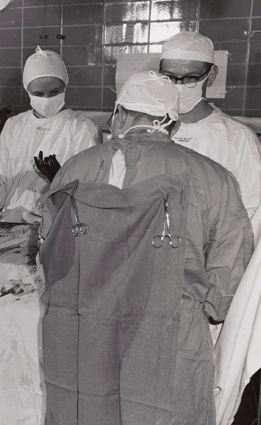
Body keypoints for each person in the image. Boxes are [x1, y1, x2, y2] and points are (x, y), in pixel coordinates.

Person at [39, 71, 253, 425]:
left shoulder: (76, 170)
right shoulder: (213, 178)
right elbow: (225, 289)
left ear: (119, 115)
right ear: (171, 123)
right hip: (171, 342)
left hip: (87, 338)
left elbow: (50, 261)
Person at [0, 46, 101, 223]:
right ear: (27, 90)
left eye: (54, 92)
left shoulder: (83, 129)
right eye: (38, 94)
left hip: (52, 227)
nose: (46, 99)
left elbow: (89, 198)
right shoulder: (15, 125)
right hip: (8, 223)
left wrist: (58, 178)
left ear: (65, 86)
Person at [160, 31, 261, 219]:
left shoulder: (238, 139)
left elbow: (252, 214)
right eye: (169, 77)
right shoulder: (147, 128)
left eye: (190, 78)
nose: (178, 85)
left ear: (211, 75)